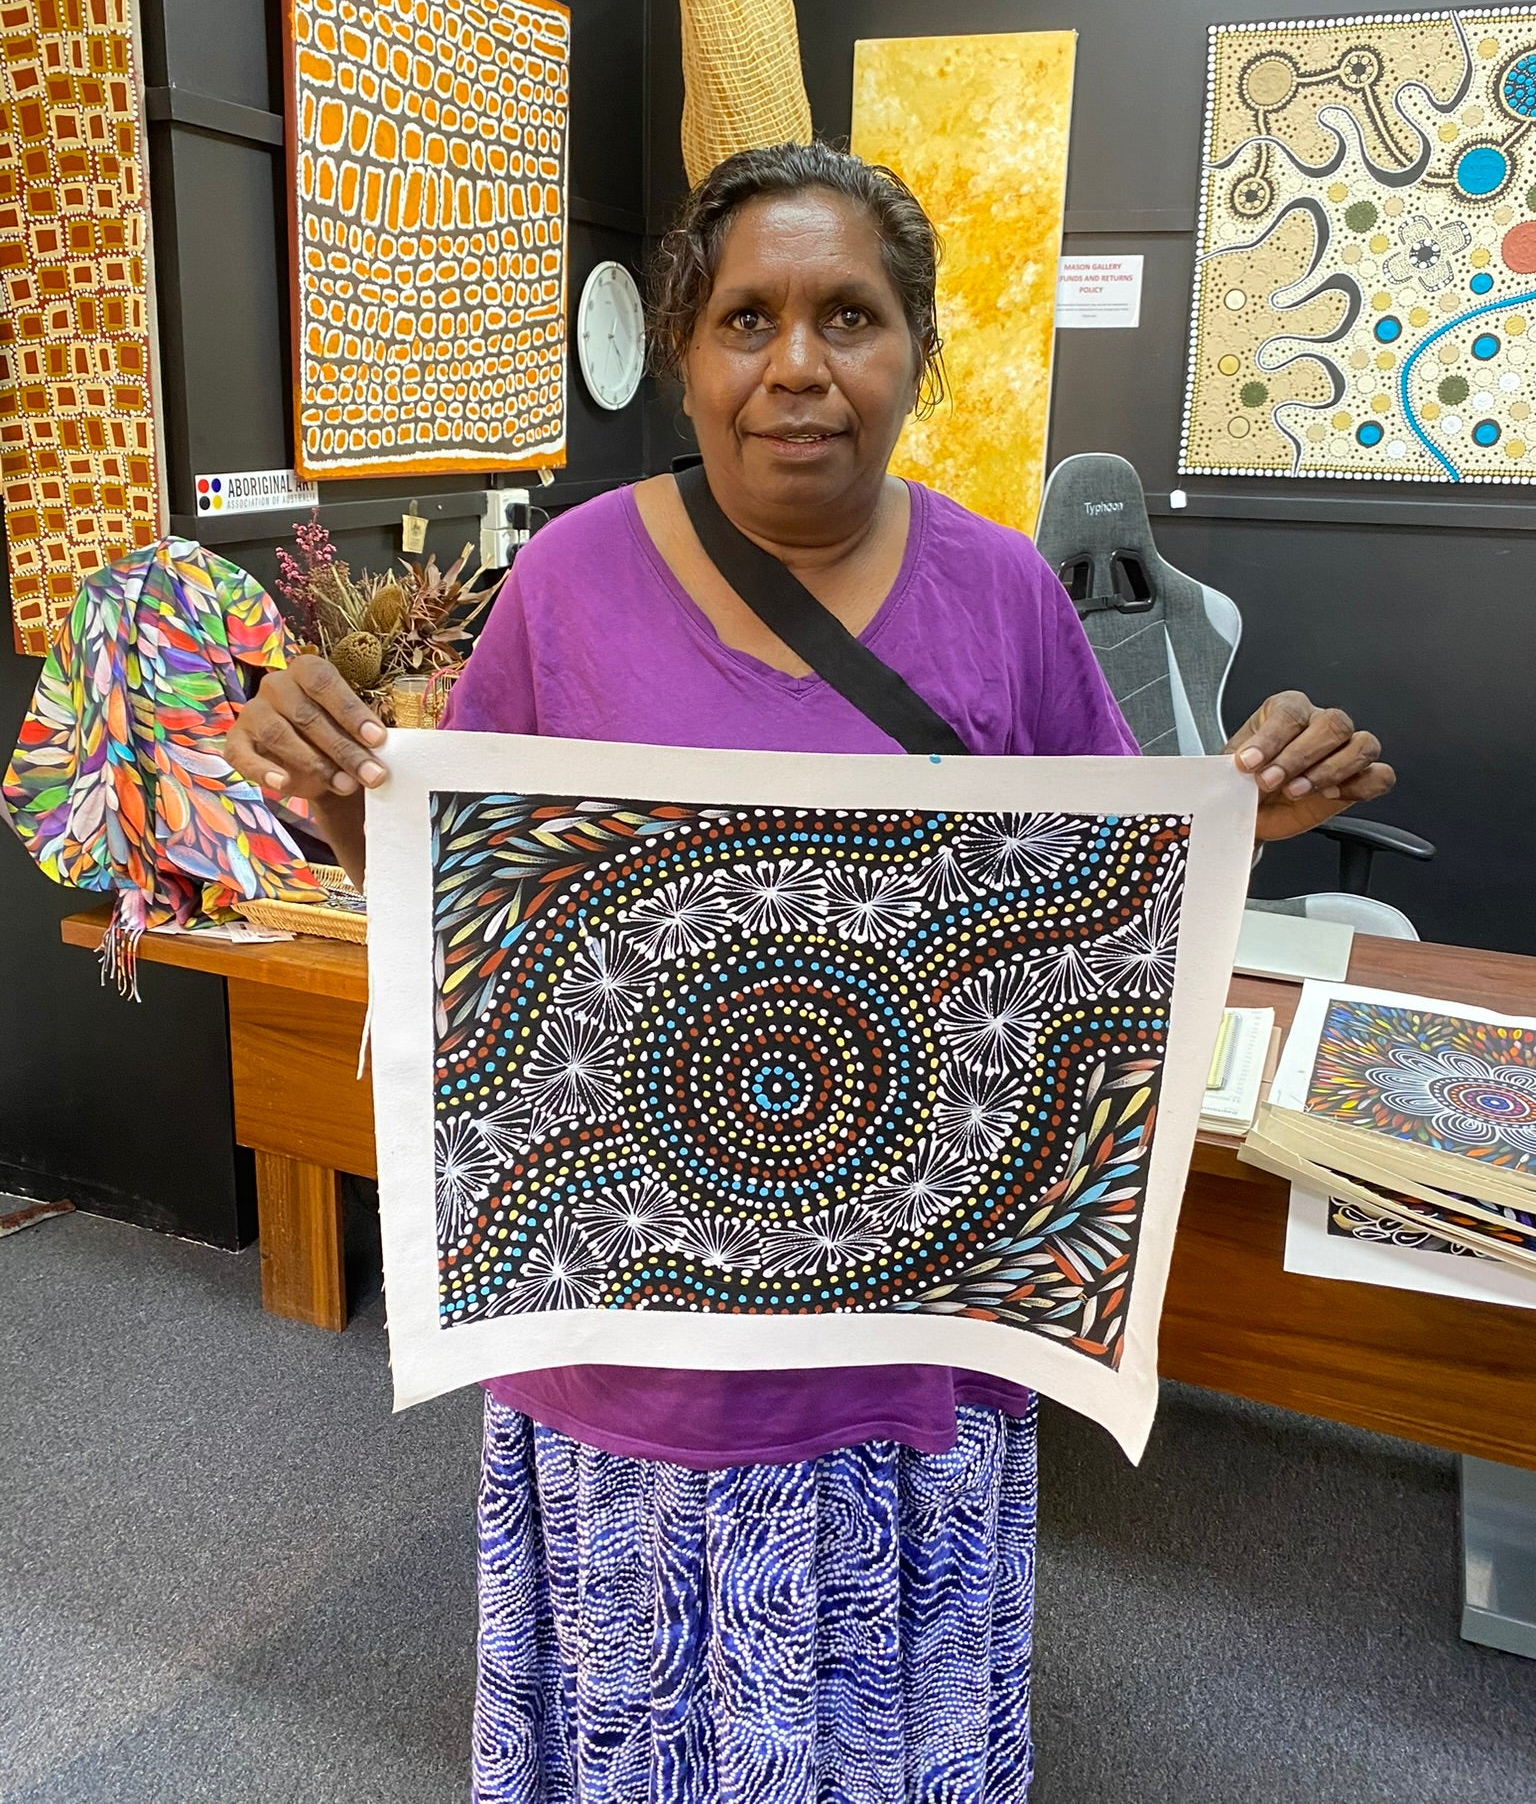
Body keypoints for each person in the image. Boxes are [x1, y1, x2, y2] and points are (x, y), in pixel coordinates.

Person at [227, 143, 1394, 1803]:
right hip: (634, 1323)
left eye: (848, 315)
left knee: (879, 1731)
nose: (797, 365)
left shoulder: (1001, 595)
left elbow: (1110, 900)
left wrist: (1251, 817)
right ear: (690, 360)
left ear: (917, 348)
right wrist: (347, 799)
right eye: (747, 319)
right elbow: (465, 913)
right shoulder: (568, 583)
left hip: (904, 1326)